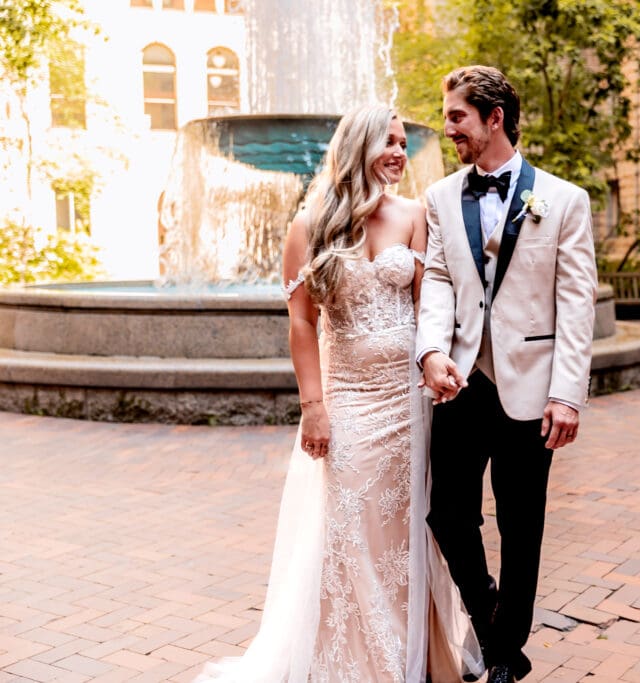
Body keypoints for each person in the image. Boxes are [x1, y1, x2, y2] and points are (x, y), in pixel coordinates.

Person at [196, 106, 484, 683]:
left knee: (405, 532)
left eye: (405, 143)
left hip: (408, 402)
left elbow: (432, 304)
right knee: (350, 529)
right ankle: (355, 660)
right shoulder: (310, 225)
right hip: (348, 402)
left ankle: (414, 655)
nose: (401, 153)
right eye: (390, 142)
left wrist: (436, 360)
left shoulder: (414, 214)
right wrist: (314, 406)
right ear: (359, 145)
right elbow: (302, 324)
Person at [416, 67, 598, 682]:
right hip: (462, 382)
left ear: (494, 117)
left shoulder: (565, 200)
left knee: (522, 526)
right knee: (445, 512)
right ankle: (493, 618)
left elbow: (577, 303)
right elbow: (438, 279)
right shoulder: (440, 197)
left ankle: (500, 655)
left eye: (457, 117)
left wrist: (567, 394)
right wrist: (430, 352)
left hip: (532, 389)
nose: (448, 129)